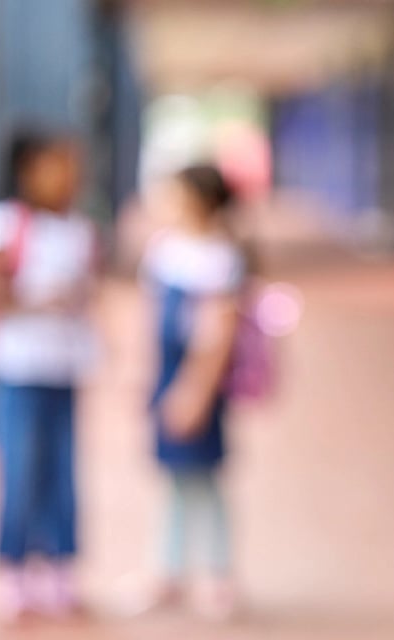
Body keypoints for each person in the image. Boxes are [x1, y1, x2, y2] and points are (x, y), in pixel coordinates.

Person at [0, 126, 97, 622]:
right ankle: (14, 567)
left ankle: (58, 567)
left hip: (64, 367)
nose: (70, 177)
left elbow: (88, 293)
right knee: (20, 469)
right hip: (18, 369)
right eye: (58, 166)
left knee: (63, 471)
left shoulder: (77, 229)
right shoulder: (3, 224)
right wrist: (42, 300)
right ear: (27, 170)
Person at [136, 165, 245, 620]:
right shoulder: (165, 250)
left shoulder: (220, 258)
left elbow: (217, 335)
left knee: (205, 480)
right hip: (168, 376)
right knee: (177, 482)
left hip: (197, 382)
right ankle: (171, 571)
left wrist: (195, 392)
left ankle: (218, 575)